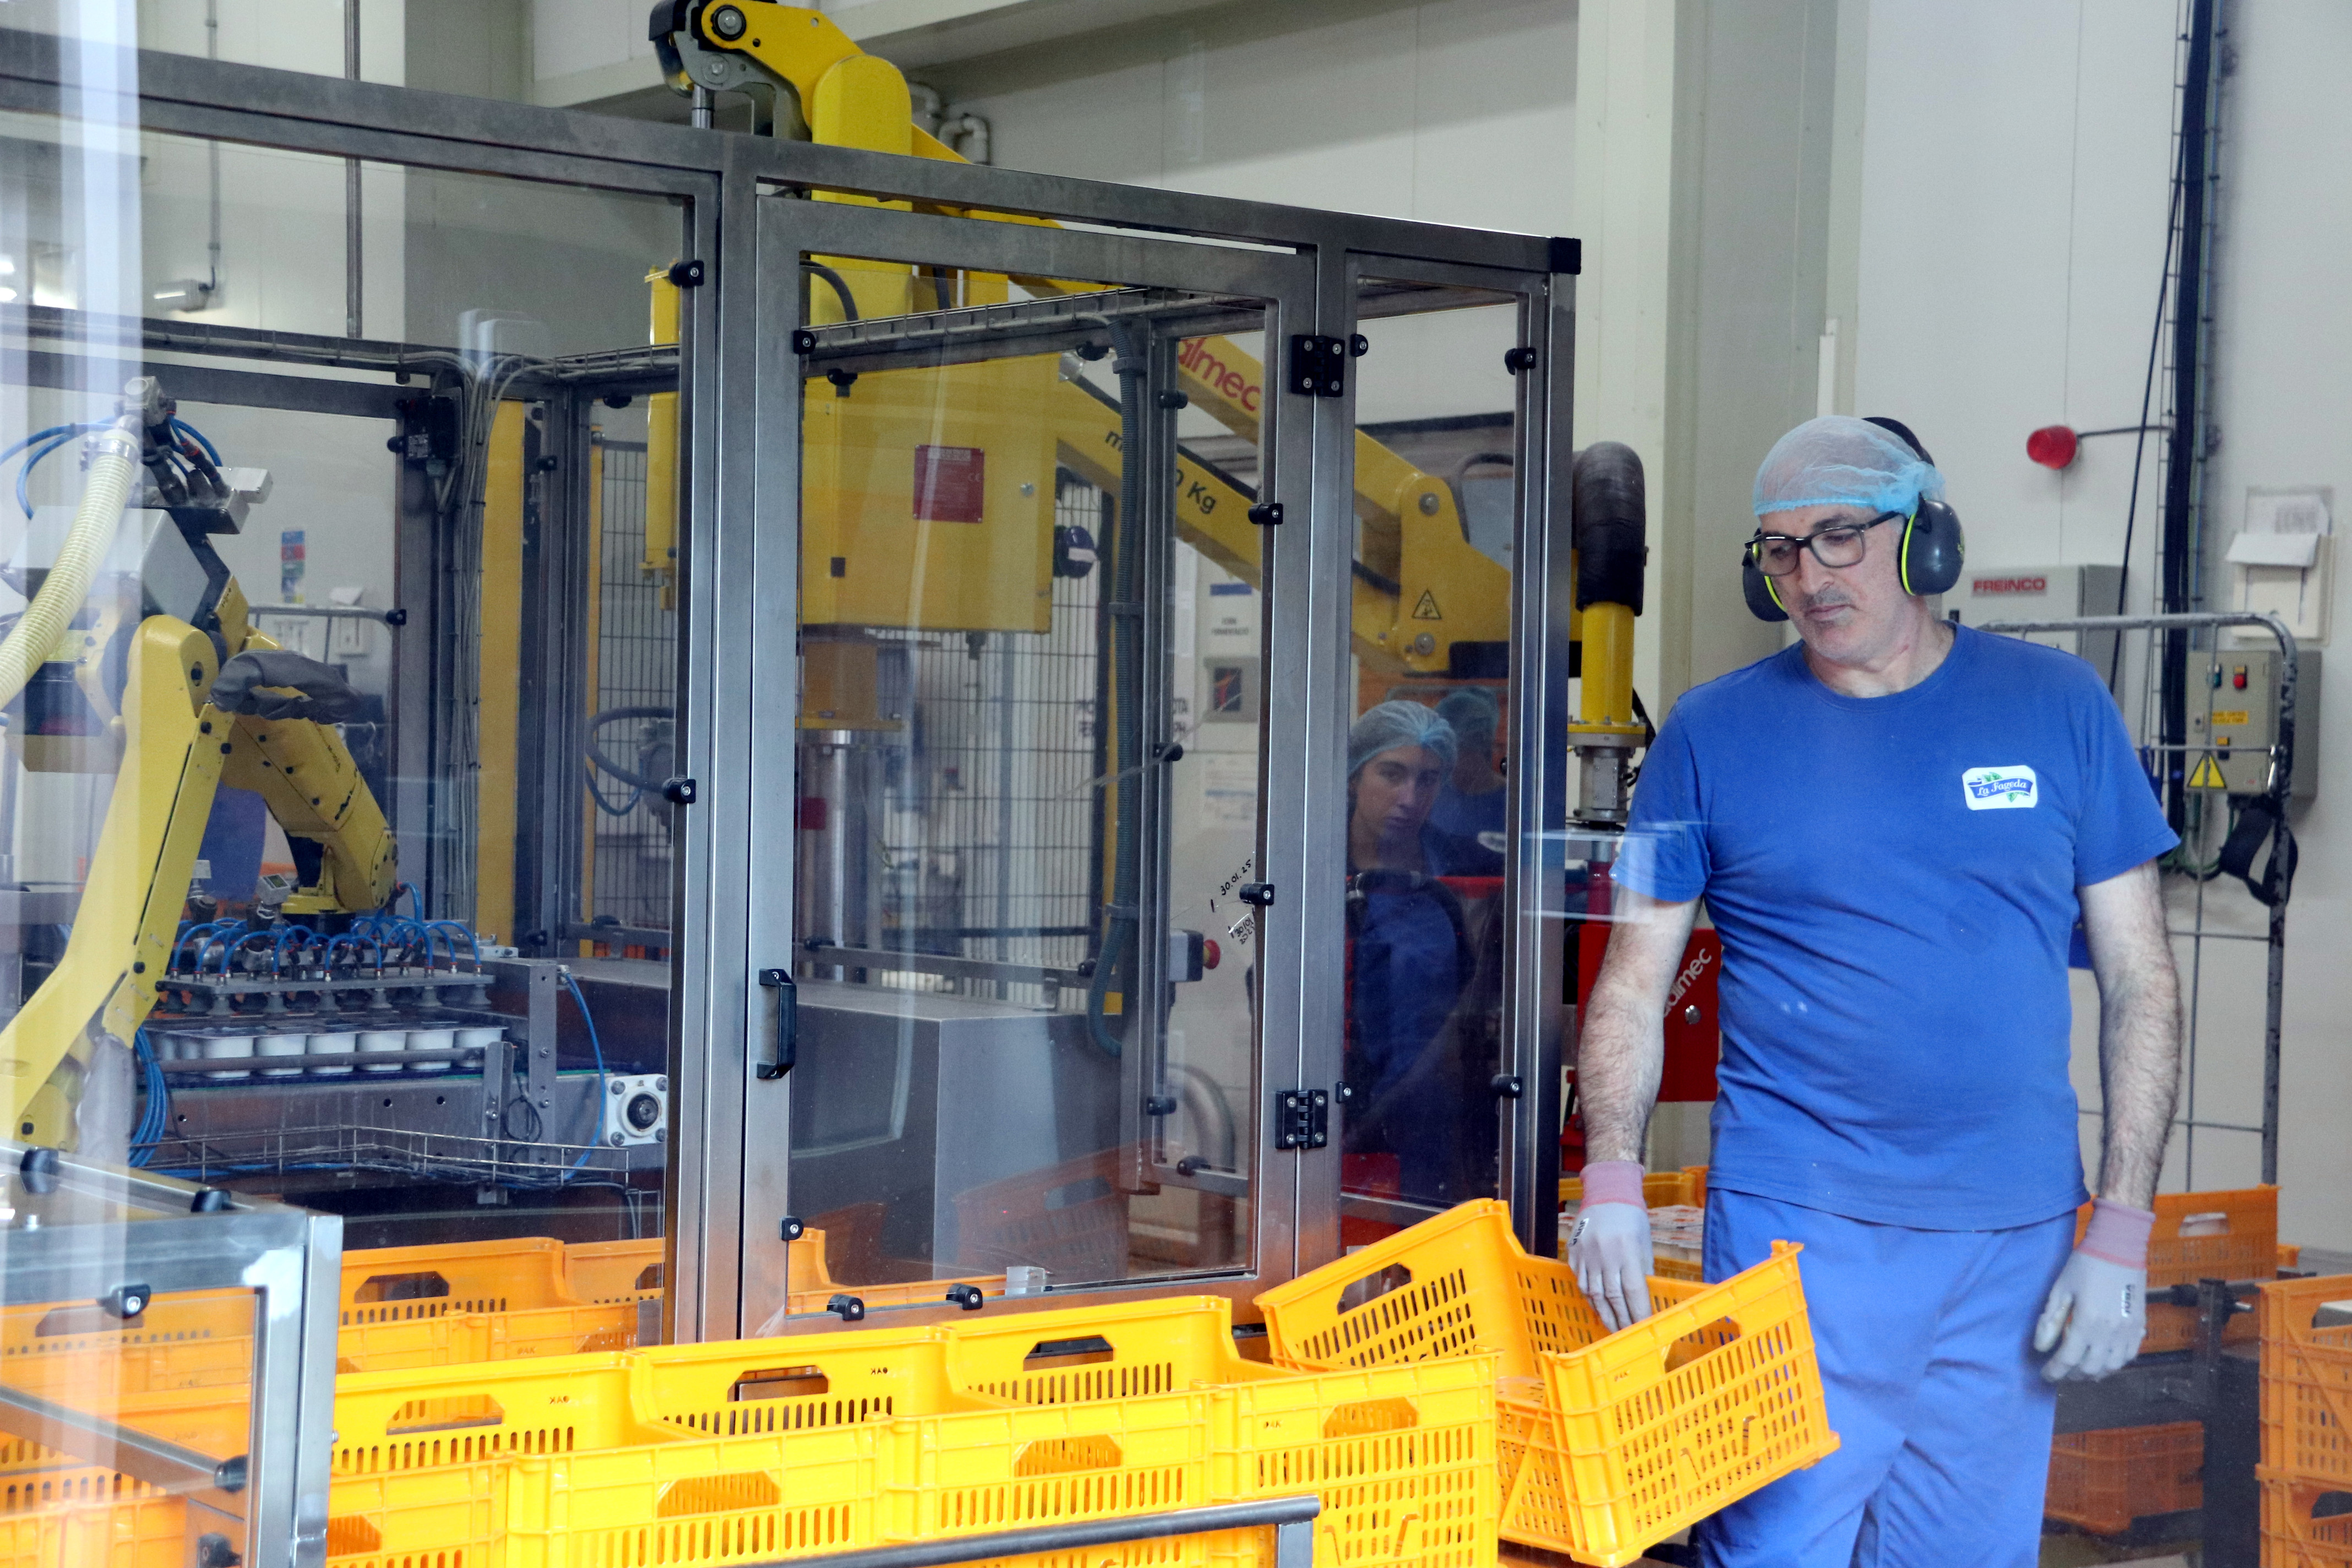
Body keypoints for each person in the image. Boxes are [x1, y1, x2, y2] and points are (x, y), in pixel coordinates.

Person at [1569, 416, 2182, 1568]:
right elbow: (1631, 982)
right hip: (1799, 1232)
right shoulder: (1707, 732)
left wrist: (2121, 1226)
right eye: (1780, 550)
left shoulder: (2059, 706)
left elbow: (2143, 981)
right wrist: (1610, 1172)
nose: (1809, 576)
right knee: (1773, 1547)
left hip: (2011, 1235)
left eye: (1840, 536)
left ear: (1924, 539)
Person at [1341, 700, 1500, 1202]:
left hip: (1445, 1109)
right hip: (1338, 1109)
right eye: (1392, 774)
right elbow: (1236, 926)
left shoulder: (1469, 866)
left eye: (1428, 780)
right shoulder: (1304, 860)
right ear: (1354, 776)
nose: (1410, 798)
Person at [1428, 687, 1507, 853]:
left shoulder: (1515, 804)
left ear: (1483, 742)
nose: (1447, 762)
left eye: (1458, 750)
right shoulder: (1431, 798)